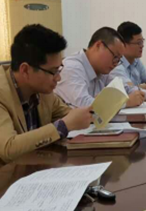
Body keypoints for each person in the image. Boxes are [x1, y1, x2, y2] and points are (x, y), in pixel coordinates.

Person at [0, 25, 94, 163]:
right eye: (53, 71)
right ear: (25, 70)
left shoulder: (44, 92)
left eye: (59, 70)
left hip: (36, 169)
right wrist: (64, 126)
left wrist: (89, 115)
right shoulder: (2, 93)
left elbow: (70, 115)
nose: (58, 78)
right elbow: (8, 148)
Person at [55, 27, 145, 108]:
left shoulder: (102, 70)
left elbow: (124, 88)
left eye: (119, 59)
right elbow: (83, 105)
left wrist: (144, 94)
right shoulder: (72, 68)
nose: (115, 63)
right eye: (115, 57)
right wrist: (125, 102)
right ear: (99, 46)